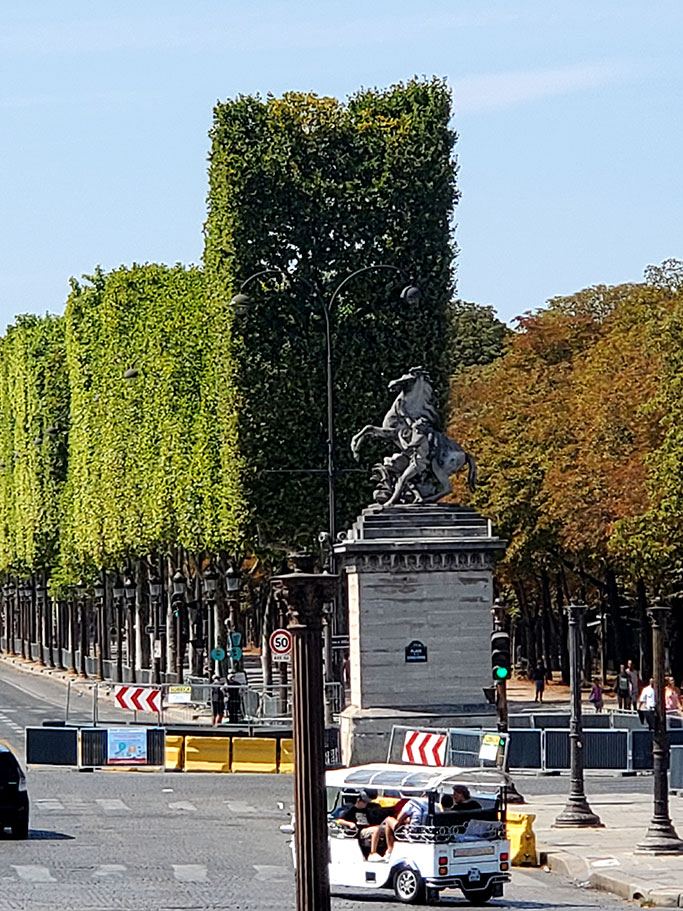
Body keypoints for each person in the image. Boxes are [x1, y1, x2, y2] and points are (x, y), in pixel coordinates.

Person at [372, 794, 429, 861]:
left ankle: (389, 852)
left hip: (412, 834)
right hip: (425, 834)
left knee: (388, 820)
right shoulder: (436, 806)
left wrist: (405, 820)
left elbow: (399, 819)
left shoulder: (413, 803)